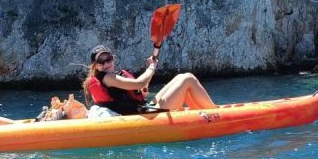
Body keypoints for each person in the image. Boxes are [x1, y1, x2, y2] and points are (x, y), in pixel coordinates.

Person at [83, 44, 217, 116]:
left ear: (113, 58)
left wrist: (142, 91)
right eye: (101, 62)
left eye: (109, 59)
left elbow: (140, 88)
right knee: (188, 78)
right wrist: (152, 66)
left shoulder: (114, 75)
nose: (106, 64)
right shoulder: (107, 77)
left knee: (182, 77)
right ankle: (217, 115)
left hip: (143, 108)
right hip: (145, 115)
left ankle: (202, 114)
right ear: (95, 65)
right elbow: (140, 82)